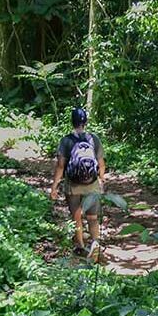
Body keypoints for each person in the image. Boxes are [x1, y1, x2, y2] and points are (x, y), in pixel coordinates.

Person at [50, 107, 106, 262]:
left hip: (73, 185)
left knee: (77, 218)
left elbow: (61, 166)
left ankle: (81, 246)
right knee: (93, 217)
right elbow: (101, 164)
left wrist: (54, 187)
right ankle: (95, 243)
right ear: (85, 122)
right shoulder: (93, 139)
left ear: (72, 122)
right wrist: (101, 179)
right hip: (91, 184)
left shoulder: (66, 140)